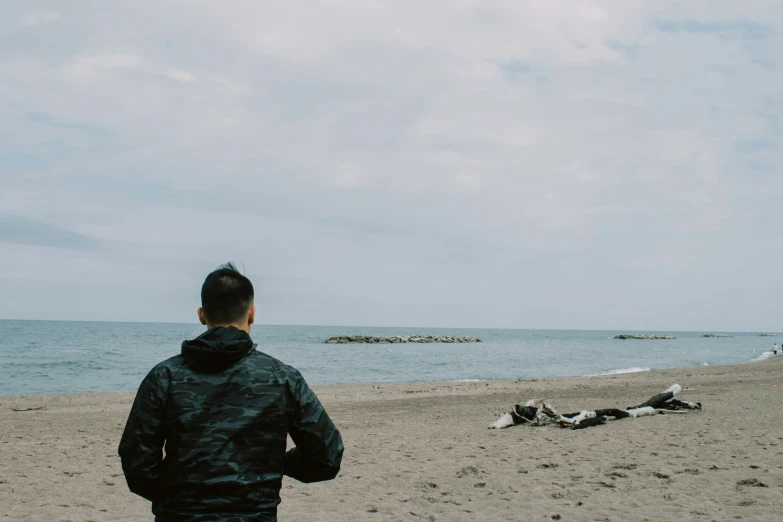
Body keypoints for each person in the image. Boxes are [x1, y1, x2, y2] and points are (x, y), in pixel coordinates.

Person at [118, 263, 344, 521]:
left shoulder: (165, 376)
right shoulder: (282, 378)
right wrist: (278, 464)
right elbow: (326, 457)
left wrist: (177, 497)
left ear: (202, 315)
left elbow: (137, 463)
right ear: (252, 314)